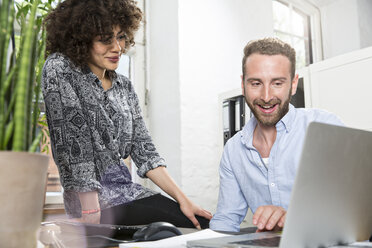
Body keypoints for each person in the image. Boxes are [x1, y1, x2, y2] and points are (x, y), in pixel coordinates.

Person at [42, 0, 211, 229]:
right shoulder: (60, 68)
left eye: (121, 37)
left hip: (128, 195)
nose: (117, 47)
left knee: (199, 222)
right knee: (198, 227)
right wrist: (90, 210)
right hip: (95, 204)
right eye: (105, 39)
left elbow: (145, 150)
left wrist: (184, 201)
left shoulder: (124, 87)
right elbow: (73, 144)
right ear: (81, 39)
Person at [209, 38, 344, 232]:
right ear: (243, 84)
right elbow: (226, 220)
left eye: (277, 83)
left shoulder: (324, 127)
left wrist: (299, 219)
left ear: (293, 83)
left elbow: (357, 204)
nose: (266, 96)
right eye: (256, 83)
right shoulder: (233, 150)